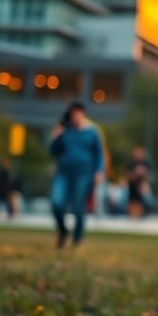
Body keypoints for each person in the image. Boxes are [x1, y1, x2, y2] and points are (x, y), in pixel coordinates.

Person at [50, 102, 105, 248]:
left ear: (83, 113)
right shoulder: (66, 131)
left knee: (77, 206)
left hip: (84, 172)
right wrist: (56, 137)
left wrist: (99, 171)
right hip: (64, 172)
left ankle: (77, 238)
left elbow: (99, 154)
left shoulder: (93, 131)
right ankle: (63, 232)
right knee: (57, 203)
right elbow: (53, 151)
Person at [124, 147, 152, 218]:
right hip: (132, 187)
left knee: (144, 199)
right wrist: (136, 174)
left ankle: (142, 214)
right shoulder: (131, 163)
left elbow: (149, 175)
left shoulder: (146, 163)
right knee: (131, 200)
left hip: (142, 187)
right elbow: (128, 176)